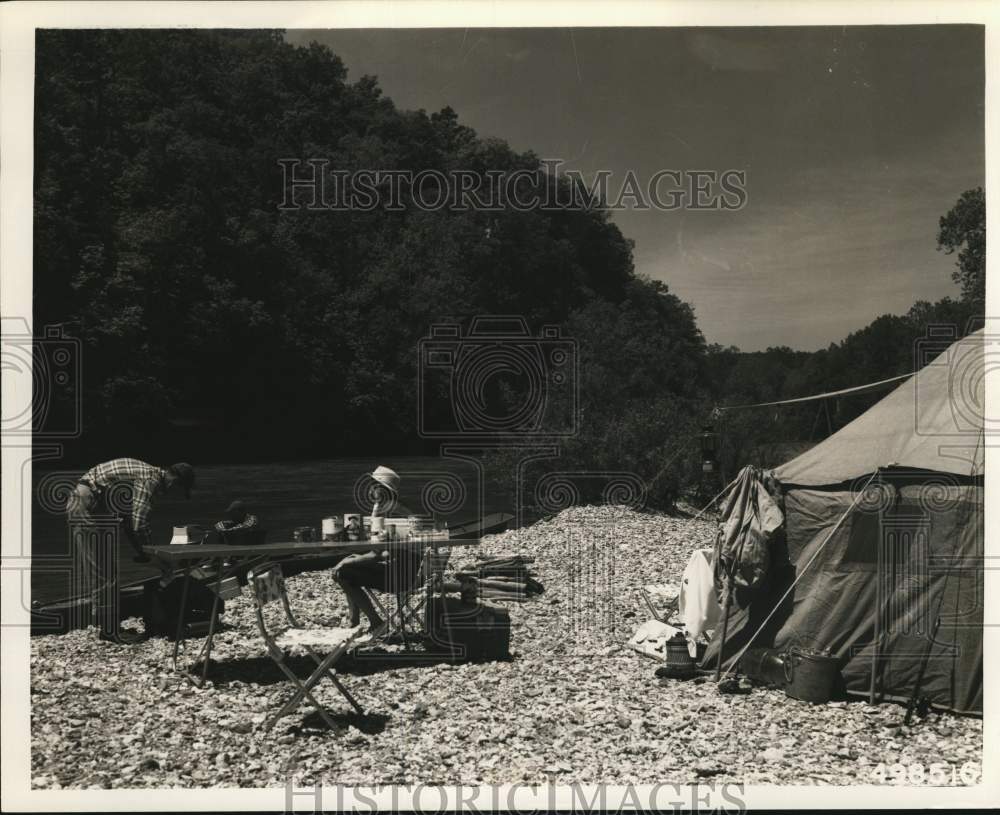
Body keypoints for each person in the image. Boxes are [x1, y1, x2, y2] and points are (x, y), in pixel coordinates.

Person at [66, 458, 195, 643]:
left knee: (107, 570)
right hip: (86, 503)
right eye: (178, 491)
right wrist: (156, 556)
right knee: (103, 571)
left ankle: (109, 626)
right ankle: (109, 631)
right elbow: (139, 525)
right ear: (174, 481)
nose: (172, 496)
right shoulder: (150, 480)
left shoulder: (147, 476)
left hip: (92, 502)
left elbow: (129, 524)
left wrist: (143, 553)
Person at [332, 465, 423, 633]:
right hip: (410, 571)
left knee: (343, 572)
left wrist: (347, 560)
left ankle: (375, 623)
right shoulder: (396, 507)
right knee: (348, 567)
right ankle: (354, 622)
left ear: (383, 490)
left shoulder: (387, 511)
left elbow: (377, 554)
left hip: (400, 577)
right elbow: (389, 551)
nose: (370, 488)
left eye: (374, 485)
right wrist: (353, 559)